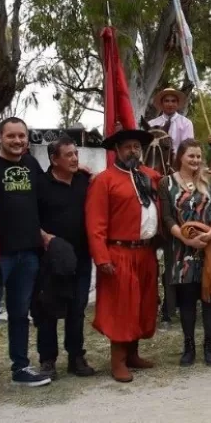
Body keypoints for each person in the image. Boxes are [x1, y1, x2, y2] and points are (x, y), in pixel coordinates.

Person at [85, 128, 162, 383]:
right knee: (122, 306)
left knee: (143, 304)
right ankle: (117, 361)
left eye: (137, 147)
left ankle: (133, 354)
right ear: (117, 150)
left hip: (146, 251)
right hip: (119, 252)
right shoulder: (104, 180)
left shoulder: (151, 177)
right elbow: (95, 223)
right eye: (128, 146)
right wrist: (102, 257)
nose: (133, 151)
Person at [0, 117, 52, 392]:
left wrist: (80, 171)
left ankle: (20, 368)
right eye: (11, 136)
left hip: (27, 253)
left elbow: (46, 194)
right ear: (0, 137)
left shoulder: (31, 165)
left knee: (19, 314)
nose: (17, 141)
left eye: (22, 136)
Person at [159, 139, 211, 367]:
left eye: (198, 156)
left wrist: (209, 234)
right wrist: (185, 237)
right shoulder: (166, 182)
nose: (196, 160)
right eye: (191, 156)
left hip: (210, 247)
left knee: (210, 297)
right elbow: (167, 217)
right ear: (180, 157)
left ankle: (210, 345)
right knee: (187, 300)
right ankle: (189, 346)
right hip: (181, 251)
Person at [35, 137, 95, 379]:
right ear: (54, 159)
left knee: (77, 308)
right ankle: (48, 360)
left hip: (81, 257)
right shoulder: (41, 184)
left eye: (75, 154)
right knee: (48, 309)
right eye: (68, 155)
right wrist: (44, 237)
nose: (74, 159)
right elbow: (32, 217)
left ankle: (76, 357)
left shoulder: (84, 180)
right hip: (52, 260)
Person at [148, 88, 194, 153]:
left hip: (178, 160)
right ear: (161, 103)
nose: (170, 104)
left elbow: (188, 147)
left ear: (177, 103)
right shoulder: (152, 124)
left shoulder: (186, 123)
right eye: (167, 101)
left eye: (173, 101)